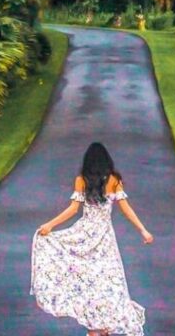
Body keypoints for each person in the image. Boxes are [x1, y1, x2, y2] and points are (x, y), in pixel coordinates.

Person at [30, 142, 153, 336]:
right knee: (108, 280)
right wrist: (143, 230)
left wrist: (50, 225)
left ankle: (96, 328)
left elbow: (73, 209)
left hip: (85, 234)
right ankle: (100, 327)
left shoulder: (82, 179)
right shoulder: (114, 179)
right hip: (104, 237)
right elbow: (125, 208)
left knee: (87, 279)